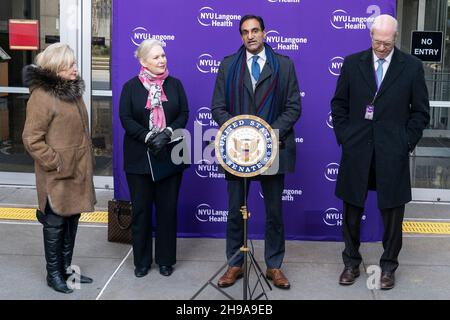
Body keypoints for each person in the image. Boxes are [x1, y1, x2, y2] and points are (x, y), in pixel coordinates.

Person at [331, 14, 430, 290]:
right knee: (351, 211)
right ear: (370, 36)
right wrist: (346, 138)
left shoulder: (411, 67)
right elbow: (338, 105)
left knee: (392, 215)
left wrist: (405, 142)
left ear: (395, 38)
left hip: (392, 152)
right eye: (378, 42)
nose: (382, 48)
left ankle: (388, 267)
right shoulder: (352, 64)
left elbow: (421, 112)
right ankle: (350, 262)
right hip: (357, 151)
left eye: (387, 43)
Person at [211, 15, 301, 289]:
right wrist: (241, 134)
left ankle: (274, 266)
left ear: (264, 33)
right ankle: (235, 263)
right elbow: (217, 108)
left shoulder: (284, 65)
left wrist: (265, 135)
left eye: (255, 30)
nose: (250, 36)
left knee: (274, 211)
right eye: (244, 32)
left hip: (274, 149)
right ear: (241, 36)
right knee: (235, 210)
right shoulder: (228, 65)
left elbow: (293, 108)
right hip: (237, 151)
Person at [22, 43, 96, 294]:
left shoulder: (71, 92)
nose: (76, 68)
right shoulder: (42, 96)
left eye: (74, 64)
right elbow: (31, 139)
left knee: (71, 221)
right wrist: (57, 162)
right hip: (56, 175)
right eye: (71, 64)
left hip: (76, 173)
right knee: (54, 225)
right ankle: (52, 274)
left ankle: (65, 269)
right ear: (56, 67)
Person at [119, 39, 189, 278]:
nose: (162, 60)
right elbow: (126, 119)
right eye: (156, 57)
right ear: (143, 61)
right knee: (141, 212)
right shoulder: (130, 87)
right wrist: (149, 136)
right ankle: (141, 261)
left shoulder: (176, 85)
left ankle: (166, 260)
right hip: (139, 159)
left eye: (163, 56)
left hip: (170, 158)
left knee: (168, 211)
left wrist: (168, 133)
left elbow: (184, 113)